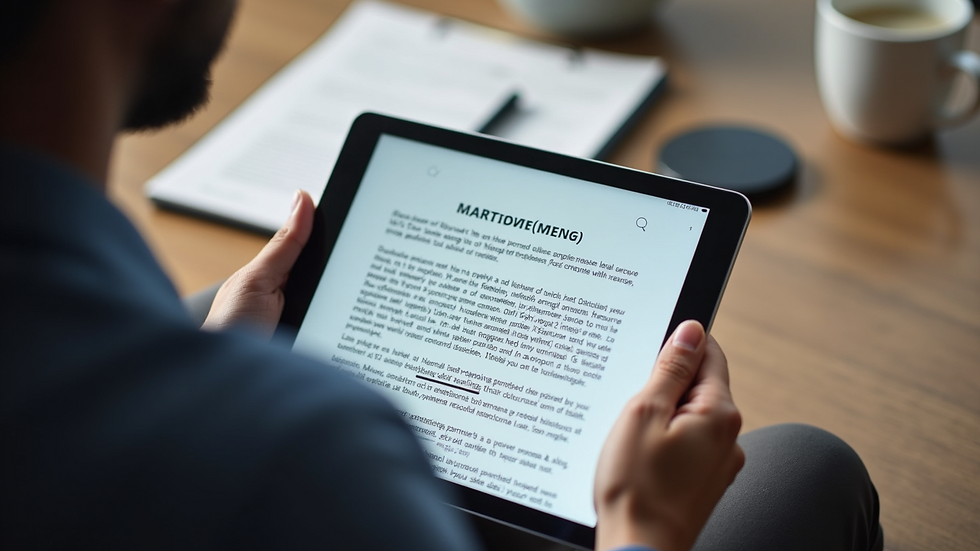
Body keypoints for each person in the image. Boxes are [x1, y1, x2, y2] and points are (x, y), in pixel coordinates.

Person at [0, 1, 883, 550]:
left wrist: (210, 374)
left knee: (217, 307)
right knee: (803, 467)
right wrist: (639, 526)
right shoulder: (302, 453)